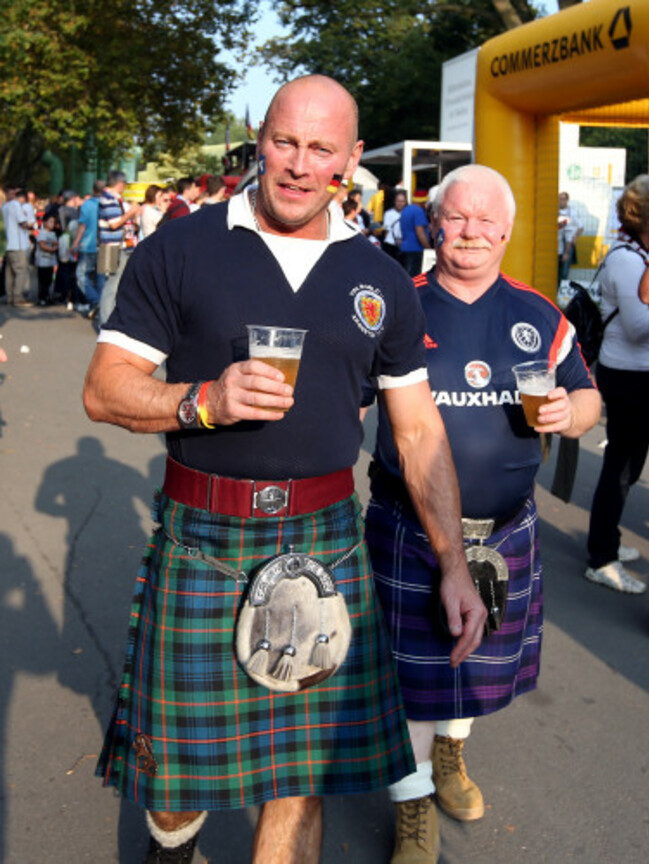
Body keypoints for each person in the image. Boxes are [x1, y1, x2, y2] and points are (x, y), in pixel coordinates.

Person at [82, 74, 485, 864]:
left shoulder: (380, 280)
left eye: (322, 149)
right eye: (285, 142)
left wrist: (452, 563)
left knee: (298, 778)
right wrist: (206, 400)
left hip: (325, 542)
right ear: (259, 139)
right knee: (175, 785)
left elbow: (417, 430)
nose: (300, 165)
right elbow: (103, 391)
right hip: (203, 538)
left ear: (352, 158)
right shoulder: (184, 245)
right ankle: (173, 841)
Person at [364, 164, 601, 864]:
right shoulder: (395, 305)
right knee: (406, 677)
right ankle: (410, 801)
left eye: (483, 220)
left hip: (504, 533)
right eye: (456, 217)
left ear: (507, 229)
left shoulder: (539, 314)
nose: (469, 231)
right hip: (406, 528)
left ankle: (450, 757)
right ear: (436, 224)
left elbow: (587, 397)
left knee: (468, 666)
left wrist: (571, 413)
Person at [585, 175, 649, 594]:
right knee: (622, 468)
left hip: (635, 375)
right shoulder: (628, 260)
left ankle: (607, 542)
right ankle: (601, 557)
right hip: (630, 378)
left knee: (628, 466)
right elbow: (640, 326)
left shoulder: (637, 254)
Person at [97, 170, 141, 326]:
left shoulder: (113, 199)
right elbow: (114, 223)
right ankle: (106, 320)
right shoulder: (109, 199)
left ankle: (108, 318)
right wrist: (131, 212)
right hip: (115, 246)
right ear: (119, 183)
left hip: (121, 245)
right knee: (113, 285)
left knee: (116, 284)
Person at [71, 180, 107, 318]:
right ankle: (99, 308)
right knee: (100, 278)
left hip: (88, 245)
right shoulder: (107, 204)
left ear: (93, 190)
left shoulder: (87, 205)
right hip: (104, 245)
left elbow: (82, 226)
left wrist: (75, 243)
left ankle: (95, 301)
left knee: (81, 275)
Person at [2, 187, 35, 306]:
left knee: (9, 272)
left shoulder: (5, 206)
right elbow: (23, 223)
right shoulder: (16, 205)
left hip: (8, 243)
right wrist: (30, 225)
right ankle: (18, 298)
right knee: (21, 271)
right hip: (18, 244)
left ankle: (9, 296)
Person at [399, 196, 431, 276]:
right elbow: (420, 232)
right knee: (415, 277)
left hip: (405, 247)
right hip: (416, 249)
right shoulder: (418, 211)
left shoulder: (405, 210)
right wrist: (428, 248)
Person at [558, 191, 583, 286]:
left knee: (564, 271)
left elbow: (581, 227)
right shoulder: (555, 211)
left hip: (568, 243)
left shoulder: (573, 212)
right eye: (559, 199)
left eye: (563, 199)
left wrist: (575, 237)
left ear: (567, 200)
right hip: (557, 243)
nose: (561, 201)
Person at [382, 189, 407, 261]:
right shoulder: (388, 213)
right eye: (398, 201)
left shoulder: (407, 213)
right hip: (390, 244)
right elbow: (387, 230)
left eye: (402, 201)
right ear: (394, 202)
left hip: (403, 244)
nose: (400, 203)